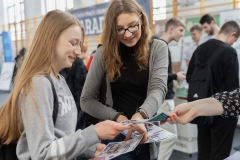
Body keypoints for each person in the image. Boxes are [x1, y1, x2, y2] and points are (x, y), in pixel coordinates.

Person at [0, 10, 131, 159]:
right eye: (73, 43)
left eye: (79, 44)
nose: (78, 50)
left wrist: (89, 149)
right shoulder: (39, 84)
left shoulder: (59, 80)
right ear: (52, 39)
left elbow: (62, 139)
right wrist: (93, 133)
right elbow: (42, 154)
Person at [80, 0, 168, 159]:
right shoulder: (103, 54)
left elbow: (158, 89)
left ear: (141, 19)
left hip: (145, 134)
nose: (127, 34)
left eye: (133, 25)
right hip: (115, 136)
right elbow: (86, 100)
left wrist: (139, 116)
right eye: (120, 29)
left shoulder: (158, 48)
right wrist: (119, 118)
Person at [186, 21, 240, 160]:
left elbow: (189, 77)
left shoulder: (199, 49)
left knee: (203, 151)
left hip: (201, 108)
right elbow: (233, 86)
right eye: (235, 40)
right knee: (220, 153)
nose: (233, 43)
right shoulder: (229, 52)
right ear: (232, 34)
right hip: (223, 112)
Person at [156, 17, 186, 160]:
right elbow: (157, 75)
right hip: (164, 100)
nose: (182, 34)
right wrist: (175, 76)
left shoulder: (160, 46)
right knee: (170, 137)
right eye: (180, 30)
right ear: (171, 29)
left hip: (162, 99)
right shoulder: (161, 46)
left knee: (160, 138)